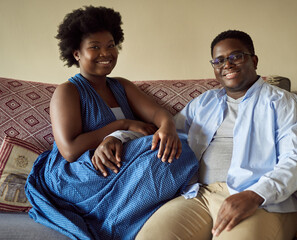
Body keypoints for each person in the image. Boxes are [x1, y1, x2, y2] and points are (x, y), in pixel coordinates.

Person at [24, 6, 198, 240]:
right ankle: (113, 227)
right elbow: (70, 150)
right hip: (78, 172)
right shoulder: (68, 91)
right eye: (95, 47)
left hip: (118, 160)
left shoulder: (121, 86)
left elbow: (159, 114)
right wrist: (122, 125)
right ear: (76, 53)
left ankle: (118, 217)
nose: (106, 53)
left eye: (110, 45)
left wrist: (166, 128)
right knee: (163, 151)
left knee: (178, 149)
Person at [135, 30, 297, 240]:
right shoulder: (204, 103)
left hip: (263, 202)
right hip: (198, 195)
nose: (227, 65)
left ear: (254, 60)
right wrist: (119, 136)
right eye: (219, 60)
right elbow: (167, 135)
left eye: (236, 57)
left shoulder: (282, 102)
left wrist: (255, 195)